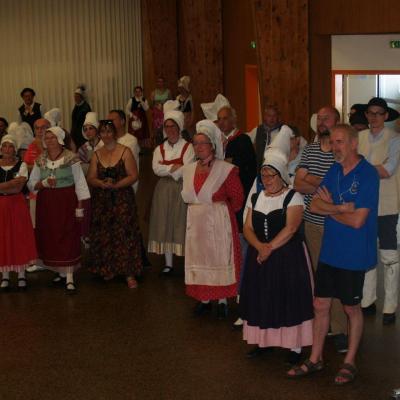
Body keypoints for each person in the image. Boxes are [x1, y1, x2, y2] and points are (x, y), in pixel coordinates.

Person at [288, 124, 379, 385]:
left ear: (353, 144)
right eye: (333, 142)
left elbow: (358, 222)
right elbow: (314, 205)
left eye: (340, 142)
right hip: (330, 250)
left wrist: (330, 209)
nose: (335, 147)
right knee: (320, 304)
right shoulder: (334, 170)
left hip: (354, 253)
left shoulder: (367, 175)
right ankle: (315, 359)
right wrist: (340, 208)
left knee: (351, 307)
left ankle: (349, 361)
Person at [239, 127, 314, 365]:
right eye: (263, 176)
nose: (266, 180)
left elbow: (291, 228)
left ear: (281, 175)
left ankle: (293, 346)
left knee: (288, 298)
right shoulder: (256, 197)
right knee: (262, 296)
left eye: (271, 176)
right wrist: (259, 247)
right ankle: (264, 342)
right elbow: (247, 227)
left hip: (287, 255)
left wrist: (267, 248)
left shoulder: (293, 197)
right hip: (260, 254)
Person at [294, 106, 348, 353]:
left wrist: (312, 181)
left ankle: (340, 328)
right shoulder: (310, 149)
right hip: (312, 224)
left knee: (338, 275)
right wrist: (322, 183)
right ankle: (325, 323)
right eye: (319, 118)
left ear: (337, 121)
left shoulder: (341, 151)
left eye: (327, 118)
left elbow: (338, 188)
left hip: (336, 224)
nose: (321, 121)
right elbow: (297, 184)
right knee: (320, 276)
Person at [181, 120, 244, 319]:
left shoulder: (225, 169)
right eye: (195, 143)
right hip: (196, 223)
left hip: (218, 220)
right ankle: (205, 299)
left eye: (203, 143)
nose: (198, 147)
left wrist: (223, 213)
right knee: (199, 258)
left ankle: (223, 300)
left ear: (212, 146)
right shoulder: (189, 169)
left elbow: (238, 197)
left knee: (218, 258)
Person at [28, 126, 90, 293]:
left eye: (52, 137)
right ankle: (60, 272)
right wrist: (44, 183)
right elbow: (31, 183)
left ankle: (69, 276)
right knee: (51, 236)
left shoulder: (71, 158)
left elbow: (80, 182)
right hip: (46, 203)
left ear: (60, 139)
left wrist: (80, 205)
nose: (49, 140)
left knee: (68, 234)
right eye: (46, 138)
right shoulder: (41, 160)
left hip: (66, 201)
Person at [358, 97, 400, 325]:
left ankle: (390, 306)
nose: (374, 117)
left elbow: (388, 170)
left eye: (379, 113)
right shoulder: (359, 137)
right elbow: (351, 165)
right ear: (366, 115)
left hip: (387, 204)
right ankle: (367, 300)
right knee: (367, 252)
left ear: (386, 116)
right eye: (370, 113)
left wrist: (362, 168)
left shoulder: (395, 139)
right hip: (364, 204)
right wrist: (372, 168)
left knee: (389, 255)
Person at [86, 120, 142, 288]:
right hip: (102, 201)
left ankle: (129, 273)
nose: (106, 135)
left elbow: (133, 175)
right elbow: (90, 177)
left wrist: (116, 185)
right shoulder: (96, 154)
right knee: (104, 234)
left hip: (122, 199)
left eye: (109, 131)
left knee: (124, 233)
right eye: (103, 132)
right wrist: (101, 183)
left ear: (115, 133)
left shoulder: (125, 151)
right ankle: (107, 268)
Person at [147, 106, 195, 275]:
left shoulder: (188, 147)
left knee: (180, 222)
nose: (170, 130)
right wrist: (174, 168)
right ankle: (168, 263)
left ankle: (186, 260)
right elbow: (155, 168)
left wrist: (167, 168)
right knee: (164, 222)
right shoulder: (159, 149)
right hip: (163, 190)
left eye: (173, 126)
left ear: (179, 127)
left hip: (182, 188)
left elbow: (188, 168)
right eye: (167, 127)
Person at [0, 134, 37, 291]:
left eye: (10, 146)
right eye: (5, 146)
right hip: (1, 205)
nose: (7, 149)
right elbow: (13, 184)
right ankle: (5, 276)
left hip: (17, 204)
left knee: (18, 237)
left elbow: (18, 187)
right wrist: (9, 183)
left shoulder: (22, 165)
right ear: (1, 149)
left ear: (15, 149)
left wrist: (2, 185)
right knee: (3, 239)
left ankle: (21, 275)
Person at [24, 118, 51, 273]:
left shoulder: (56, 144)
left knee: (52, 227)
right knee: (36, 228)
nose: (40, 131)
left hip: (53, 195)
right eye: (38, 128)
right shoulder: (32, 145)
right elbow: (26, 166)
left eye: (44, 128)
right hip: (36, 194)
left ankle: (53, 258)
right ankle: (39, 259)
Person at [252, 105, 283, 170]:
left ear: (277, 117)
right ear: (265, 117)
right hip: (261, 167)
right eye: (269, 116)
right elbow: (246, 139)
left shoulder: (283, 130)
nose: (272, 118)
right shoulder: (258, 130)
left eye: (274, 116)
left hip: (277, 166)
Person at [150, 76, 172, 144]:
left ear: (164, 83)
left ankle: (167, 143)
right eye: (158, 82)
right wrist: (156, 105)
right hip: (157, 115)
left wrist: (163, 104)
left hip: (165, 112)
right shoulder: (153, 92)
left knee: (165, 128)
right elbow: (151, 105)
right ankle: (158, 145)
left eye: (161, 81)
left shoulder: (168, 92)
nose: (160, 83)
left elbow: (171, 102)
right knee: (157, 131)